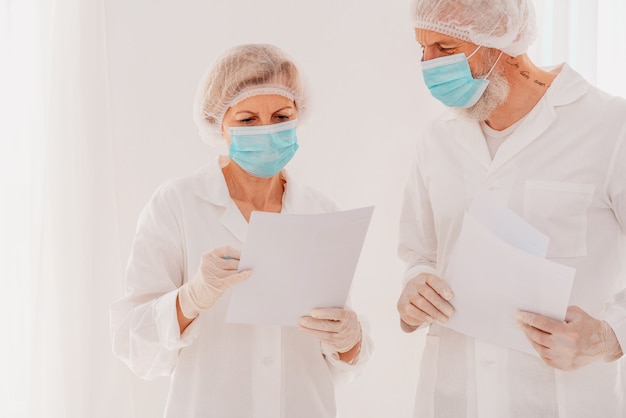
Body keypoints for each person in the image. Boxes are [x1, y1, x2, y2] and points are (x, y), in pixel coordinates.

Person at [110, 43, 372, 418]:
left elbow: (343, 362)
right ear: (220, 123)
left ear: (299, 116)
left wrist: (349, 338)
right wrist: (191, 298)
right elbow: (132, 343)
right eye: (248, 120)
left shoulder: (320, 211)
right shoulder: (177, 204)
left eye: (281, 116)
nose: (266, 131)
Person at [396, 0, 626, 417]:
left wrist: (609, 336)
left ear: (502, 37)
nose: (428, 66)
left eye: (445, 49)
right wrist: (415, 285)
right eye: (422, 49)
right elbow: (419, 251)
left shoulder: (610, 126)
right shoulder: (437, 138)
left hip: (563, 402)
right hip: (452, 399)